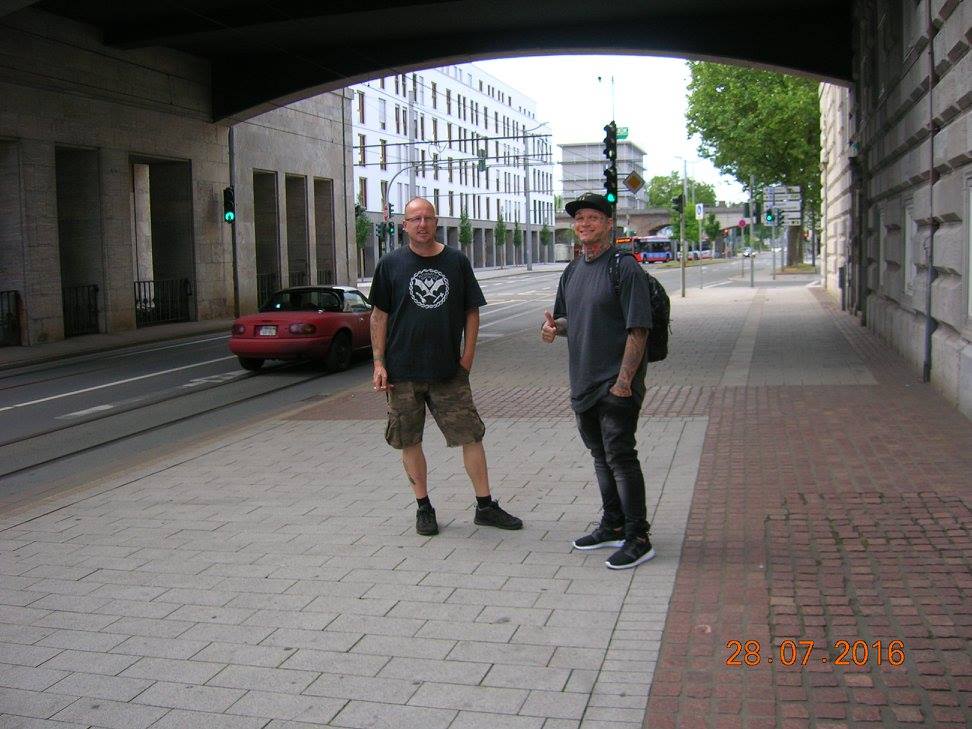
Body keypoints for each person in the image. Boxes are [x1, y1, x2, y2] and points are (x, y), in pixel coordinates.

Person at [370, 197, 522, 536]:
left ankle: (485, 506)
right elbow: (379, 316)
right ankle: (423, 507)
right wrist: (379, 363)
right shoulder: (390, 264)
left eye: (427, 217)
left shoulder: (456, 261)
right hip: (401, 372)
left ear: (436, 222)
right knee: (409, 440)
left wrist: (468, 357)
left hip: (448, 371)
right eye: (415, 219)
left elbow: (471, 311)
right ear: (404, 225)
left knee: (471, 435)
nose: (422, 224)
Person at [540, 192, 656, 569]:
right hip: (583, 382)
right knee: (601, 457)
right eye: (579, 219)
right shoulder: (573, 270)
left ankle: (638, 537)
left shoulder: (624, 268)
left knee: (621, 457)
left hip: (616, 384)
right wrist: (553, 328)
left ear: (608, 224)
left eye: (593, 217)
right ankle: (613, 524)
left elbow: (638, 329)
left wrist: (624, 383)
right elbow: (569, 321)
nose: (584, 224)